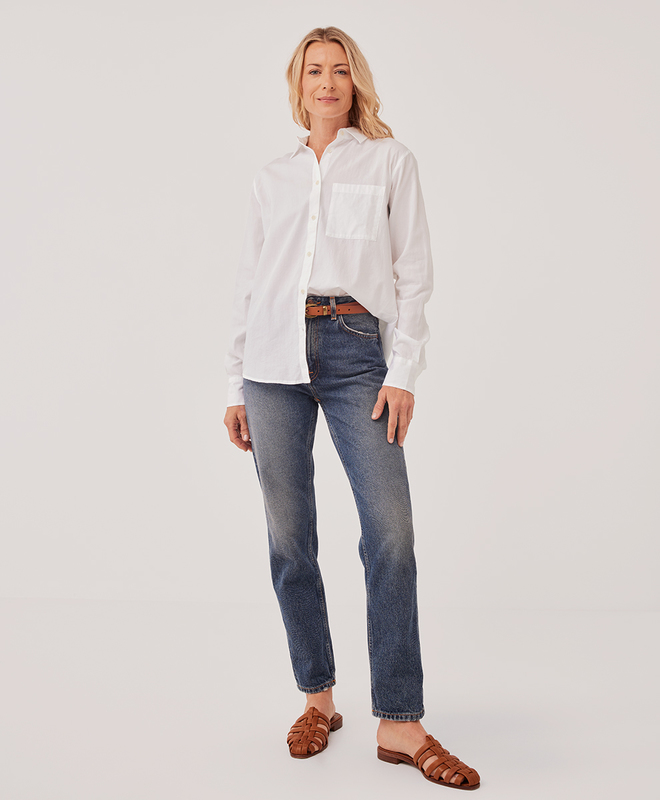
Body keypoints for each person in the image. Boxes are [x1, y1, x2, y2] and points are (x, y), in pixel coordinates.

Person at [224, 26, 481, 790]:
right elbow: (250, 282)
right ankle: (318, 698)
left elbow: (414, 274)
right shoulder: (272, 178)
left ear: (355, 81)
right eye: (315, 71)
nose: (328, 82)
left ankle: (400, 721)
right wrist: (234, 382)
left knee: (390, 533)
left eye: (340, 70)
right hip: (272, 360)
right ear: (298, 85)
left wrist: (403, 372)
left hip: (356, 351)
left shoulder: (390, 161)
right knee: (289, 538)